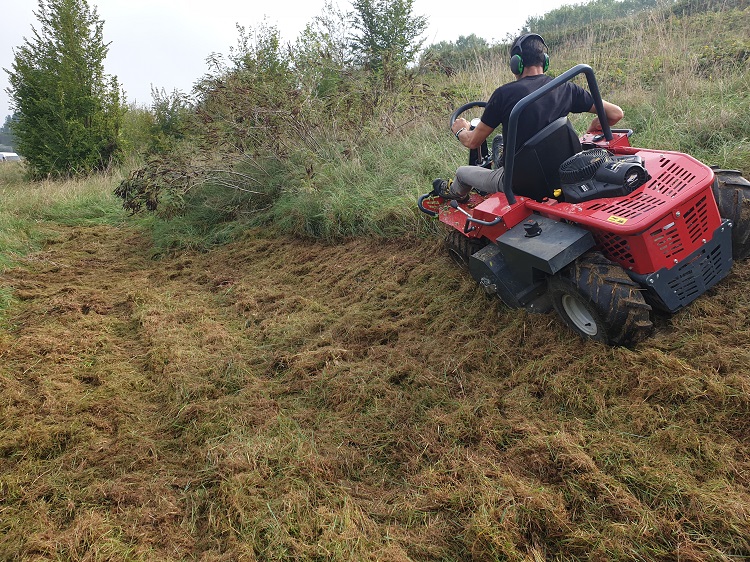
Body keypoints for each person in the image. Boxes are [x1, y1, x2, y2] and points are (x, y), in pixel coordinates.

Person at [433, 33, 624, 203]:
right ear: (545, 61)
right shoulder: (566, 88)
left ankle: (456, 194)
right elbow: (615, 114)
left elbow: (473, 142)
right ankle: (500, 156)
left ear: (516, 64)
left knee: (462, 172)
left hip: (519, 183)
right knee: (501, 141)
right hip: (565, 174)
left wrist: (460, 129)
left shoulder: (503, 95)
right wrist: (592, 128)